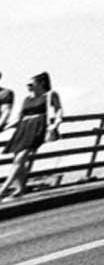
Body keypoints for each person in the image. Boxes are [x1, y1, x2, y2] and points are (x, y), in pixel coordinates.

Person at [1, 72, 62, 201]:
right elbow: (19, 117)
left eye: (31, 84)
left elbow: (59, 110)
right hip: (23, 128)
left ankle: (3, 190)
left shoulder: (50, 95)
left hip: (37, 127)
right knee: (18, 160)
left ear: (41, 83)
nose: (28, 86)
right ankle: (19, 190)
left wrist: (56, 124)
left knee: (20, 159)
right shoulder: (26, 99)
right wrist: (5, 127)